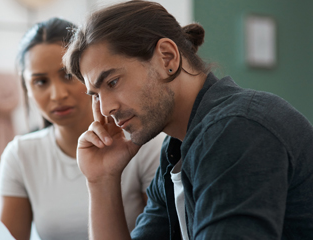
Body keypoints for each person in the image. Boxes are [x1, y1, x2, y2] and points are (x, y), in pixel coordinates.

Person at [62, 1, 313, 240]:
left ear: (167, 57)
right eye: (95, 95)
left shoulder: (235, 130)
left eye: (112, 82)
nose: (105, 109)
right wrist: (102, 180)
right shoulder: (176, 149)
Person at [0, 18, 165, 240]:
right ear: (26, 88)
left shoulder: (142, 144)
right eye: (40, 82)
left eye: (66, 75)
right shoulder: (21, 154)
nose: (56, 94)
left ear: (88, 73)